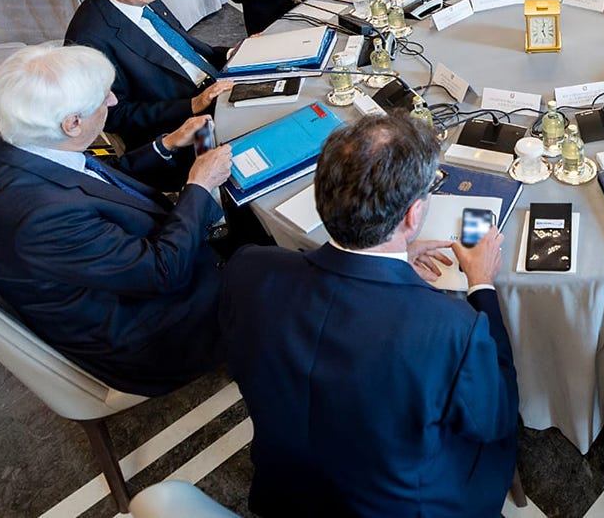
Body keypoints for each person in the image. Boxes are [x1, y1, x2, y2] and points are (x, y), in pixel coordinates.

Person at [220, 112, 519, 517]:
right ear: (413, 215)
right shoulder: (452, 328)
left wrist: (392, 255)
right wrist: (481, 284)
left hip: (284, 488)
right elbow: (495, 418)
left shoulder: (249, 268)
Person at [0, 44, 231, 396]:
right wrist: (199, 184)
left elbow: (97, 183)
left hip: (124, 280)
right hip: (147, 334)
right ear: (72, 123)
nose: (113, 101)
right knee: (271, 264)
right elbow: (162, 273)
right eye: (104, 97)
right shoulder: (42, 218)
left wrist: (166, 144)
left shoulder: (18, 145)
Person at [65, 0, 233, 149]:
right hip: (183, 126)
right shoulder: (89, 39)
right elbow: (114, 115)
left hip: (217, 85)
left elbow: (184, 49)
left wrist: (234, 53)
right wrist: (194, 104)